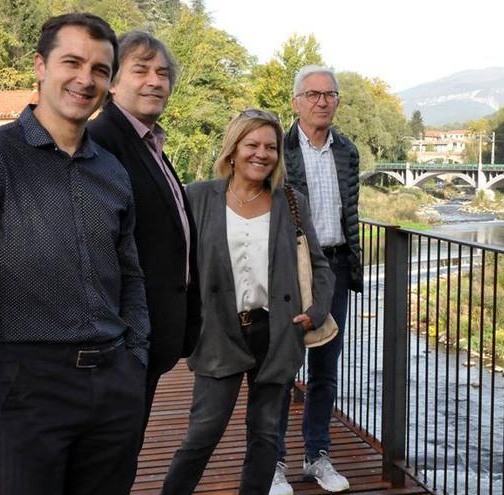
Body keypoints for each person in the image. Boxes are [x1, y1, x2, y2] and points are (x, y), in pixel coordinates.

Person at [0, 13, 150, 495]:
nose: (84, 79)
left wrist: (136, 355)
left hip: (115, 381)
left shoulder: (111, 170)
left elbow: (130, 273)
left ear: (109, 82)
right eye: (71, 62)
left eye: (99, 69)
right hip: (30, 382)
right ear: (40, 66)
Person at [161, 109, 334, 495]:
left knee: (266, 436)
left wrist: (316, 313)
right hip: (219, 331)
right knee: (203, 433)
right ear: (234, 149)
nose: (262, 154)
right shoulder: (198, 197)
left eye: (270, 147)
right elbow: (174, 264)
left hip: (277, 332)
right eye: (252, 144)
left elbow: (319, 265)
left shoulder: (291, 201)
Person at [88, 31, 200, 437]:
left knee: (124, 454)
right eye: (141, 70)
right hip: (121, 346)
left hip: (149, 342)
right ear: (113, 82)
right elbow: (95, 248)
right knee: (112, 459)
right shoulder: (103, 142)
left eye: (163, 73)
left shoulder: (148, 143)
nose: (155, 80)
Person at [271, 65, 362, 495]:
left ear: (337, 102)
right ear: (296, 102)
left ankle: (317, 456)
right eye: (312, 94)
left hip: (337, 268)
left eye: (329, 95)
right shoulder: (278, 147)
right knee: (284, 368)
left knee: (326, 367)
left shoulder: (347, 150)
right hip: (292, 268)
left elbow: (350, 213)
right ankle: (273, 462)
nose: (322, 101)